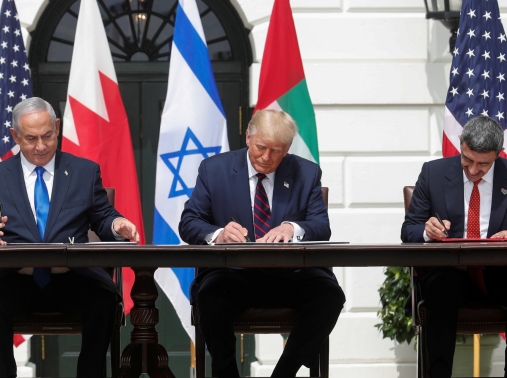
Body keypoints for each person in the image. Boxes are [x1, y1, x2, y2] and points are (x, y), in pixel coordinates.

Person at [179, 109, 345, 377]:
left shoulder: (307, 173)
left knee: (330, 296)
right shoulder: (214, 170)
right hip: (233, 276)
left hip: (290, 276)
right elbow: (189, 223)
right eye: (260, 147)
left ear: (288, 148)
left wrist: (292, 227)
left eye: (276, 151)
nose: (266, 157)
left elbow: (321, 227)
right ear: (248, 137)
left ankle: (285, 371)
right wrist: (218, 234)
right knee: (210, 298)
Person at [0, 97, 140, 378]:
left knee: (104, 301)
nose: (40, 146)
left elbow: (103, 218)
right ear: (15, 136)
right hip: (15, 278)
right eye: (30, 139)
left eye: (47, 136)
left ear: (58, 128)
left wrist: (118, 224)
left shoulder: (83, 172)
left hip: (72, 278)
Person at [401, 115, 507, 377]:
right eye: (467, 159)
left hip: (499, 271)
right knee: (440, 290)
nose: (473, 170)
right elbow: (408, 230)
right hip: (449, 272)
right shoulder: (433, 173)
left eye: (483, 164)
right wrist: (427, 231)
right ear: (460, 144)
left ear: (498, 154)